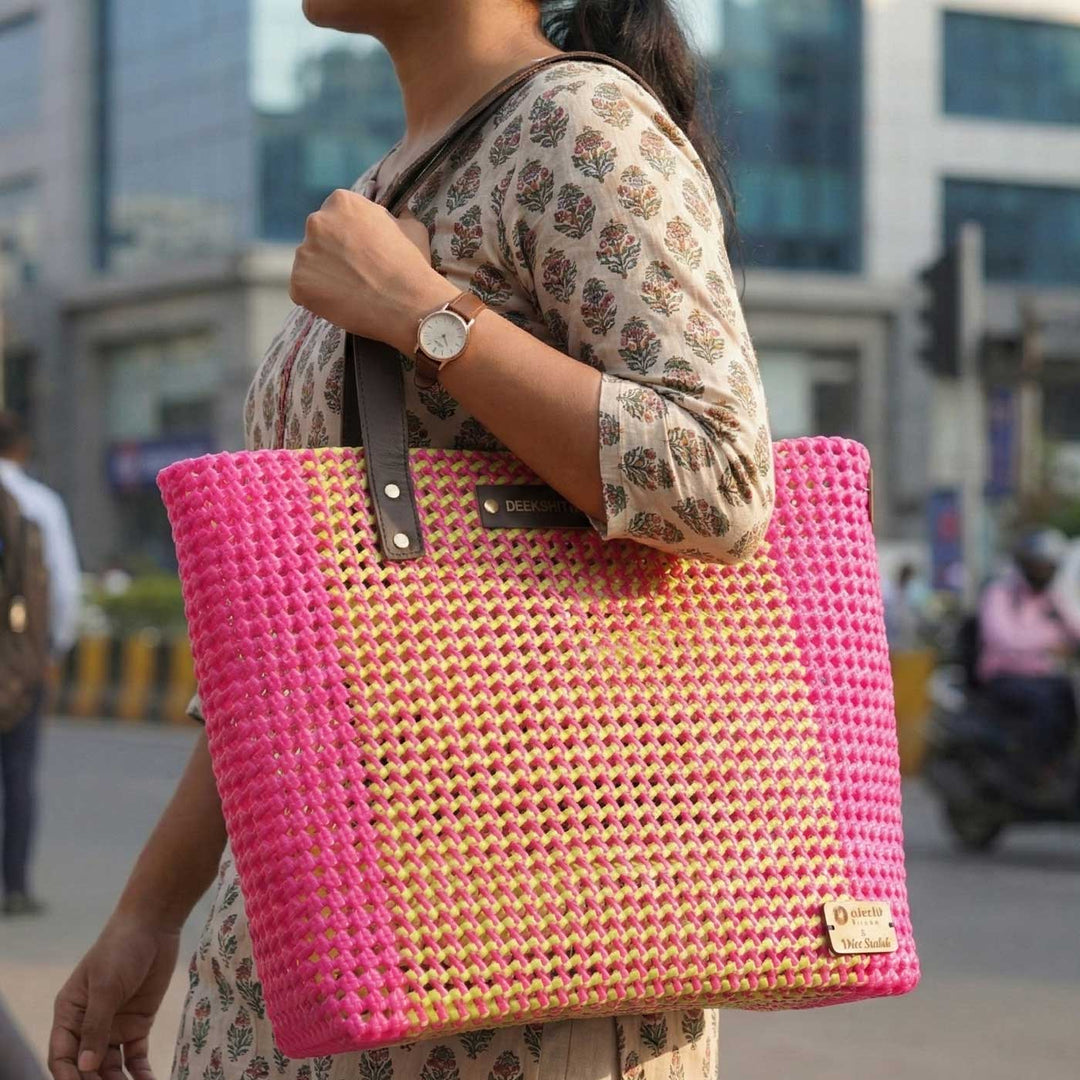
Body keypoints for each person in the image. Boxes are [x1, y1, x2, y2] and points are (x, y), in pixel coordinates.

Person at [50, 3, 774, 1078]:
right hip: (312, 942)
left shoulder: (581, 122)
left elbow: (719, 475)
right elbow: (297, 642)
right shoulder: (396, 178)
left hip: (513, 959)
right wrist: (150, 912)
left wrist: (424, 313)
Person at [0, 411, 80, 917]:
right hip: (18, 666)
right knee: (18, 775)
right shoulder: (40, 504)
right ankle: (16, 887)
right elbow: (66, 590)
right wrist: (50, 652)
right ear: (22, 447)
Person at [977, 528, 1080, 787]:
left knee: (1068, 695)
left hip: (1043, 676)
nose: (1042, 572)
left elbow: (1075, 626)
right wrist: (1051, 644)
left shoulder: (1053, 597)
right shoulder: (1001, 594)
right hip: (1004, 676)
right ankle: (1035, 770)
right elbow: (1003, 638)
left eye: (1048, 567)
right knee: (1047, 703)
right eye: (1037, 566)